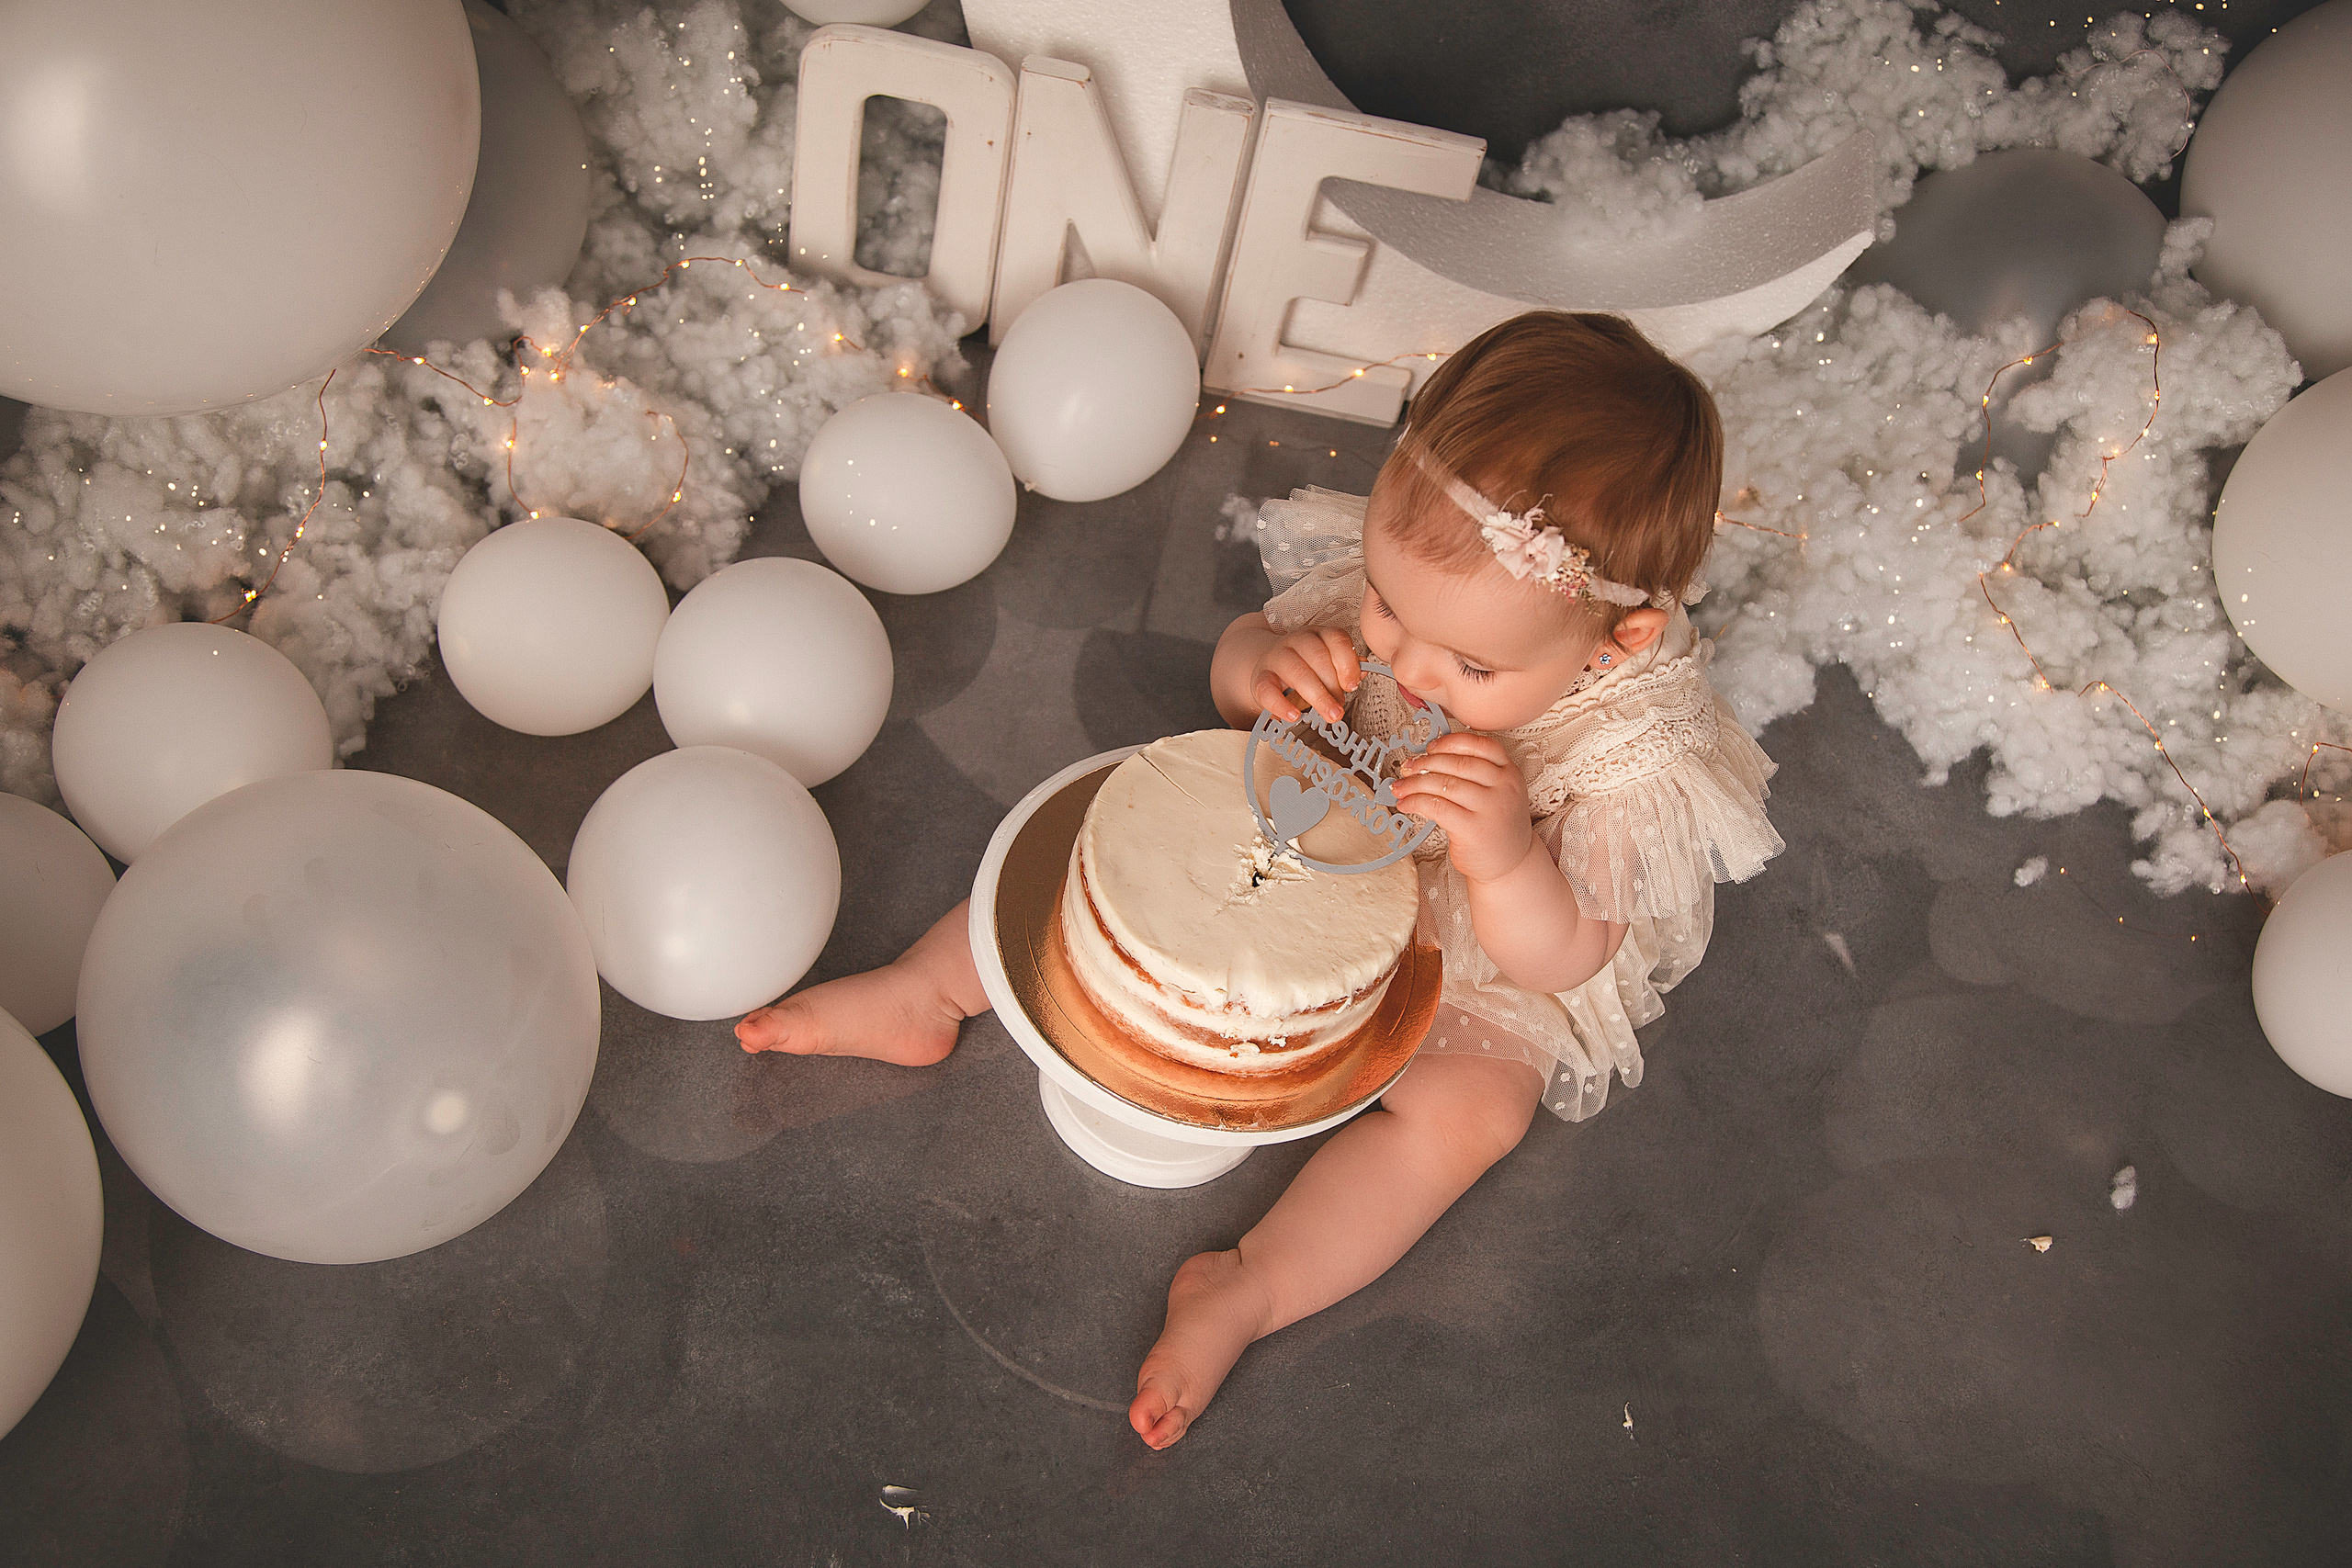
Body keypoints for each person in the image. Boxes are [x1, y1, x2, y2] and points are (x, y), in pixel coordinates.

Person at [735, 310, 1782, 1450]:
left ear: (1617, 640)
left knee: (1471, 1115)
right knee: (1109, 850)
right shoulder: (1418, 598)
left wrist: (1504, 856)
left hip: (1475, 936)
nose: (1402, 663)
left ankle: (1250, 1284)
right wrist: (1262, 671)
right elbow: (1243, 669)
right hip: (1321, 817)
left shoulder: (1632, 757)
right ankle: (930, 991)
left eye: (1471, 667)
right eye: (1385, 605)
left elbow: (1568, 952)